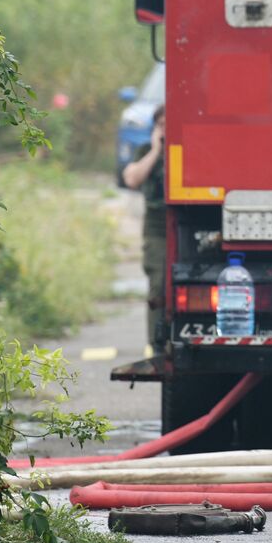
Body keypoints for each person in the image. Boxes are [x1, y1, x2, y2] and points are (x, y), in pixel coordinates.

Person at [122, 105, 167, 358]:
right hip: (157, 229)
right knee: (158, 285)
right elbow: (131, 179)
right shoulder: (146, 152)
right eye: (160, 125)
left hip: (185, 225)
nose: (165, 129)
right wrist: (156, 151)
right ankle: (157, 344)